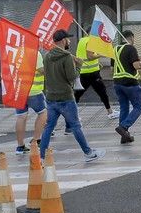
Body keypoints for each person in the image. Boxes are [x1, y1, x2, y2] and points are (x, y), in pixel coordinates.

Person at [37, 29, 105, 162]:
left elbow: (47, 74)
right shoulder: (66, 57)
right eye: (68, 39)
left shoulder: (47, 56)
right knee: (75, 126)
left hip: (51, 98)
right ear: (63, 41)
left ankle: (41, 156)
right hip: (66, 98)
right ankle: (88, 153)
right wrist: (78, 66)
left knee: (49, 126)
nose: (69, 41)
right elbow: (72, 77)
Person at [112, 30, 141, 144]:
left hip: (117, 83)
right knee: (139, 107)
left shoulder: (115, 49)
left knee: (124, 108)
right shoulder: (131, 48)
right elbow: (136, 65)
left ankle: (124, 136)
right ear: (131, 38)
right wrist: (140, 61)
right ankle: (124, 127)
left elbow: (113, 65)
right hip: (130, 83)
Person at [14, 49, 48, 155]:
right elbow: (41, 70)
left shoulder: (15, 51)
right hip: (34, 90)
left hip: (19, 89)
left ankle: (20, 146)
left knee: (21, 117)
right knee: (43, 113)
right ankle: (36, 140)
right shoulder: (34, 53)